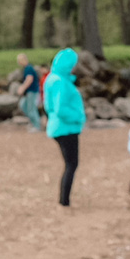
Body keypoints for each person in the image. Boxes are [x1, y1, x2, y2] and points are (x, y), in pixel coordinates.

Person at [42, 48, 83, 207]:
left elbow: (48, 106)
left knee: (70, 164)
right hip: (66, 128)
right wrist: (78, 117)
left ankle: (64, 200)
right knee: (72, 164)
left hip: (59, 126)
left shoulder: (52, 79)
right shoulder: (60, 82)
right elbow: (60, 109)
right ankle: (64, 200)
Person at [12, 53, 43, 132]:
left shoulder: (29, 68)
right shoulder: (26, 68)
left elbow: (29, 79)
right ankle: (33, 122)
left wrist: (22, 88)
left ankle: (37, 125)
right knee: (23, 105)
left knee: (31, 108)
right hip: (28, 92)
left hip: (32, 91)